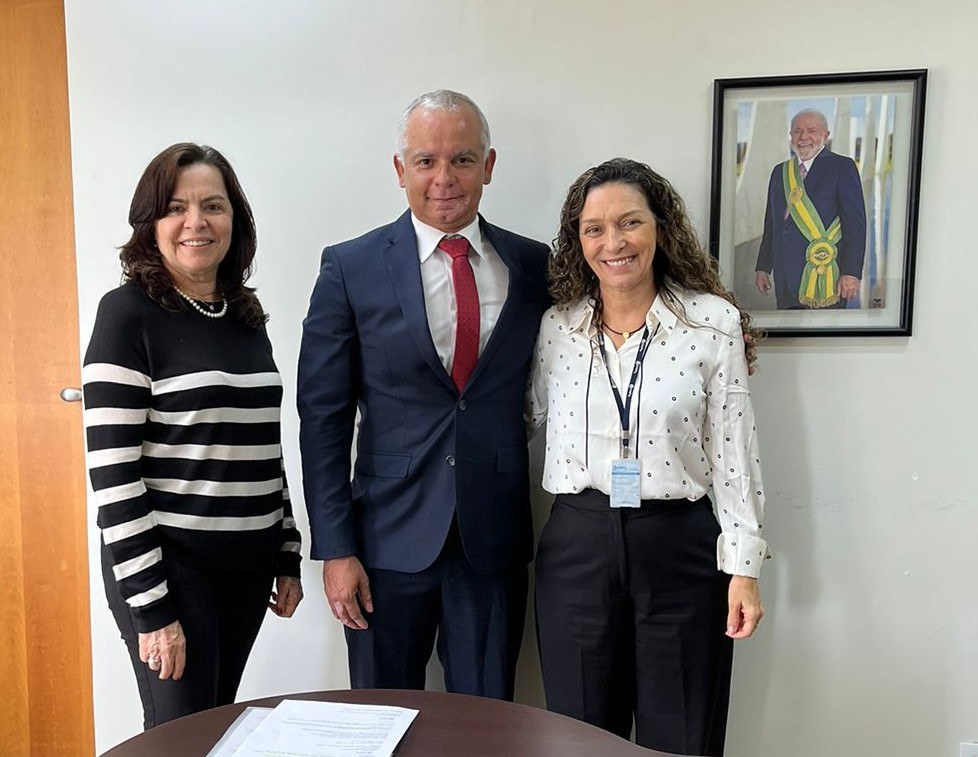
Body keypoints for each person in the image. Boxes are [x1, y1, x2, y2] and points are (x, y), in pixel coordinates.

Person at [297, 90, 549, 699]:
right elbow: (322, 419)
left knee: (486, 726)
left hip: (491, 542)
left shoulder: (536, 265)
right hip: (382, 542)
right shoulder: (349, 266)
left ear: (488, 166)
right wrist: (335, 549)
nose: (444, 178)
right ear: (400, 169)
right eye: (426, 161)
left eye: (462, 160)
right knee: (381, 720)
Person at [526, 158, 767, 756]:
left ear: (660, 228)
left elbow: (735, 451)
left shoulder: (712, 323)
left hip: (680, 547)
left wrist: (744, 566)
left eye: (629, 222)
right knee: (580, 736)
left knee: (683, 734)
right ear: (577, 241)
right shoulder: (557, 327)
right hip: (577, 544)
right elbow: (520, 419)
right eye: (594, 229)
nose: (613, 243)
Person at [82, 143, 303, 729]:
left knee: (215, 729)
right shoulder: (126, 314)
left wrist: (286, 550)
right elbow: (113, 473)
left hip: (247, 564)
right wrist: (153, 608)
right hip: (172, 569)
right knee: (177, 738)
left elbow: (260, 446)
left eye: (213, 205)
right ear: (150, 223)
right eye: (176, 207)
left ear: (236, 219)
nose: (196, 222)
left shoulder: (244, 315)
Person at [755, 108, 866, 309]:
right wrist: (763, 266)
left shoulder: (842, 167)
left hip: (826, 274)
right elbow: (772, 223)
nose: (803, 137)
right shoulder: (780, 172)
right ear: (790, 136)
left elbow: (855, 225)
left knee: (825, 339)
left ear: (826, 135)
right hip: (785, 277)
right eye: (797, 131)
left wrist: (851, 272)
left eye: (811, 130)